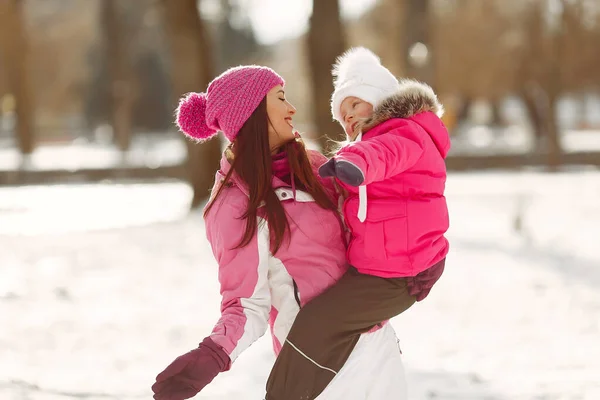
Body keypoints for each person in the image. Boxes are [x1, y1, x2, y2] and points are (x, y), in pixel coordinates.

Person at [151, 65, 408, 400]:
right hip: (320, 361)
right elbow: (246, 304)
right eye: (281, 98)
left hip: (377, 344)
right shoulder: (234, 203)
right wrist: (213, 354)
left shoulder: (314, 168)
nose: (292, 109)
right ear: (252, 112)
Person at [265, 47, 450, 399]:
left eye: (355, 104)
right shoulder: (368, 149)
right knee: (331, 329)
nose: (347, 117)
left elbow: (381, 156)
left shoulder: (404, 134)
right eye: (342, 113)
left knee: (317, 323)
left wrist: (353, 160)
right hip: (382, 268)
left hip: (399, 273)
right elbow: (342, 185)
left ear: (379, 100)